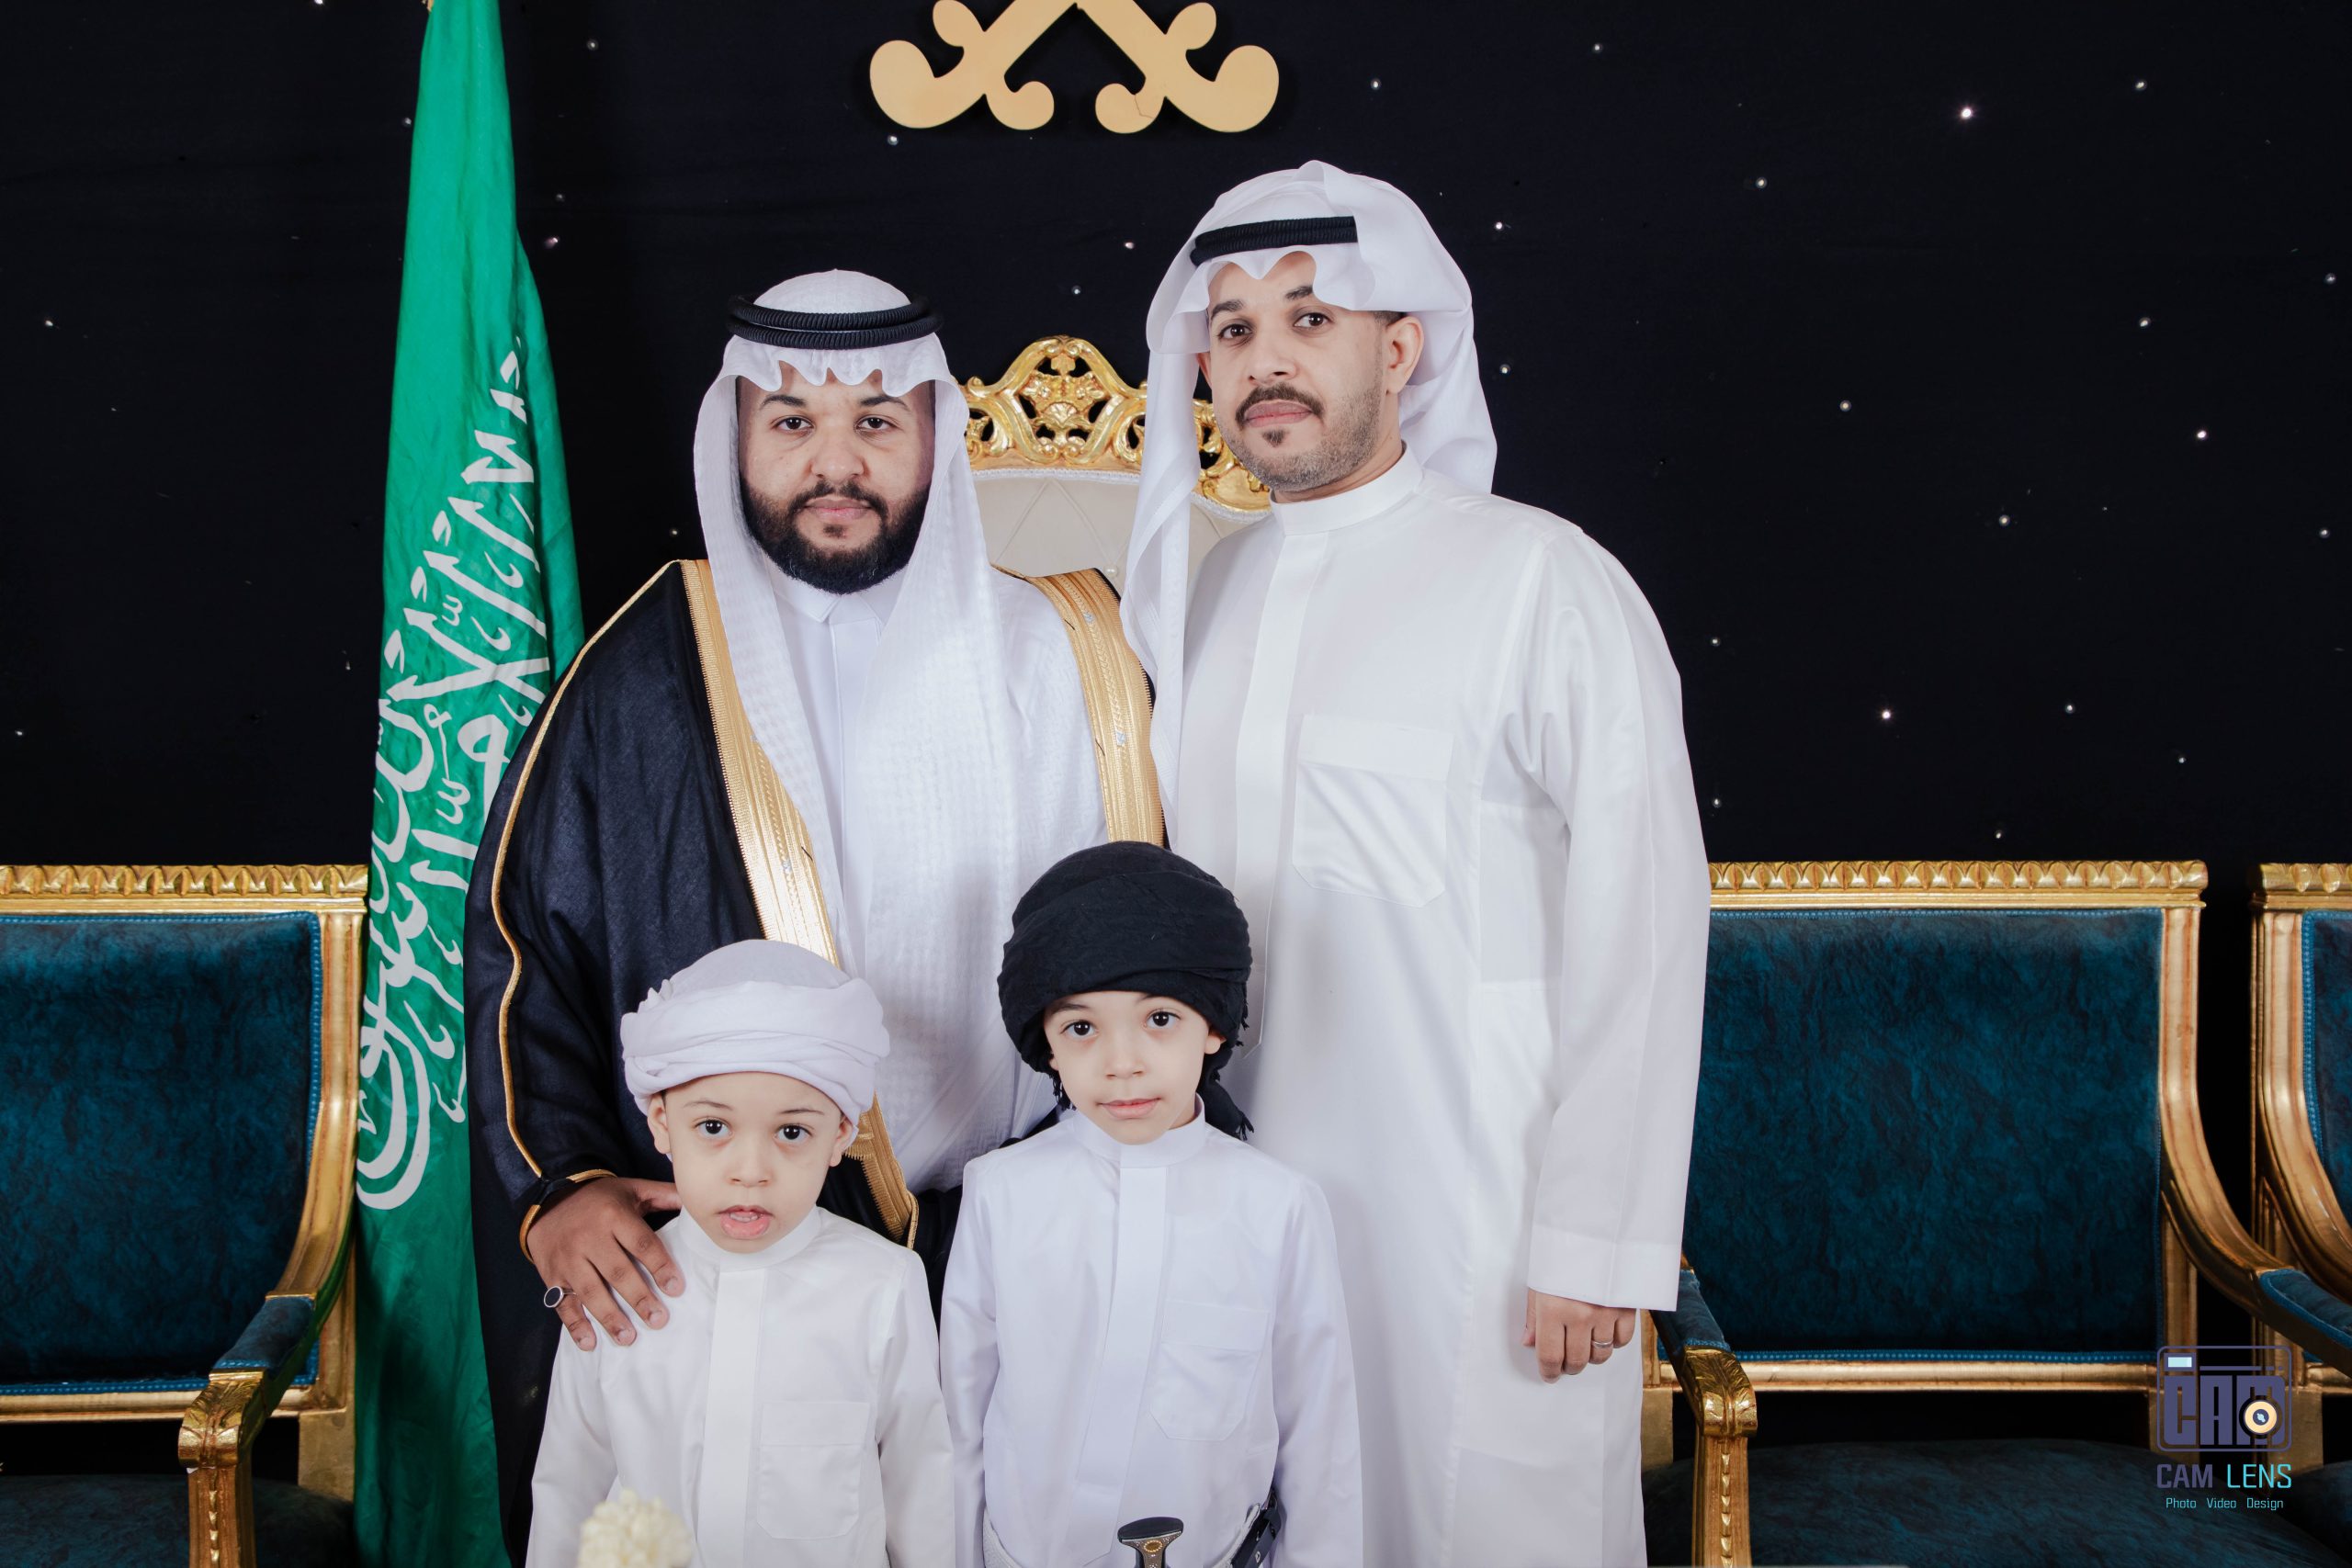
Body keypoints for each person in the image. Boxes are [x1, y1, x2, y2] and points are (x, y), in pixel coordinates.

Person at [466, 270, 1135, 1555]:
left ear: (936, 431)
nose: (836, 463)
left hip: (1025, 1245)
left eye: (876, 421)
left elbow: (1147, 941)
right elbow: (522, 948)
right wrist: (562, 1185)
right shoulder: (643, 667)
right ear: (734, 437)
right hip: (731, 1244)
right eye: (791, 422)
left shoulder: (1062, 651)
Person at [1122, 163, 1711, 1566]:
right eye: (1233, 327)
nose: (1266, 360)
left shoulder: (1543, 579)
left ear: (1401, 349)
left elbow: (1645, 919)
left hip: (1485, 1223)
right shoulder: (1209, 593)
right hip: (1252, 1208)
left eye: (1310, 318)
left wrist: (1595, 1235)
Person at [939, 842, 1360, 1568]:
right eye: (1081, 1028)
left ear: (1215, 1024)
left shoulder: (1279, 1208)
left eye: (1160, 1018)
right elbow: (959, 1423)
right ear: (1047, 1043)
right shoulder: (999, 1192)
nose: (1122, 1062)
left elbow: (1320, 1441)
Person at [526, 939, 952, 1567]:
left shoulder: (884, 1283)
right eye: (714, 1127)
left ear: (840, 1133)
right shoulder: (613, 1284)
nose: (751, 1170)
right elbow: (568, 1489)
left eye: (791, 1131)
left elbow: (921, 1485)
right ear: (661, 1122)